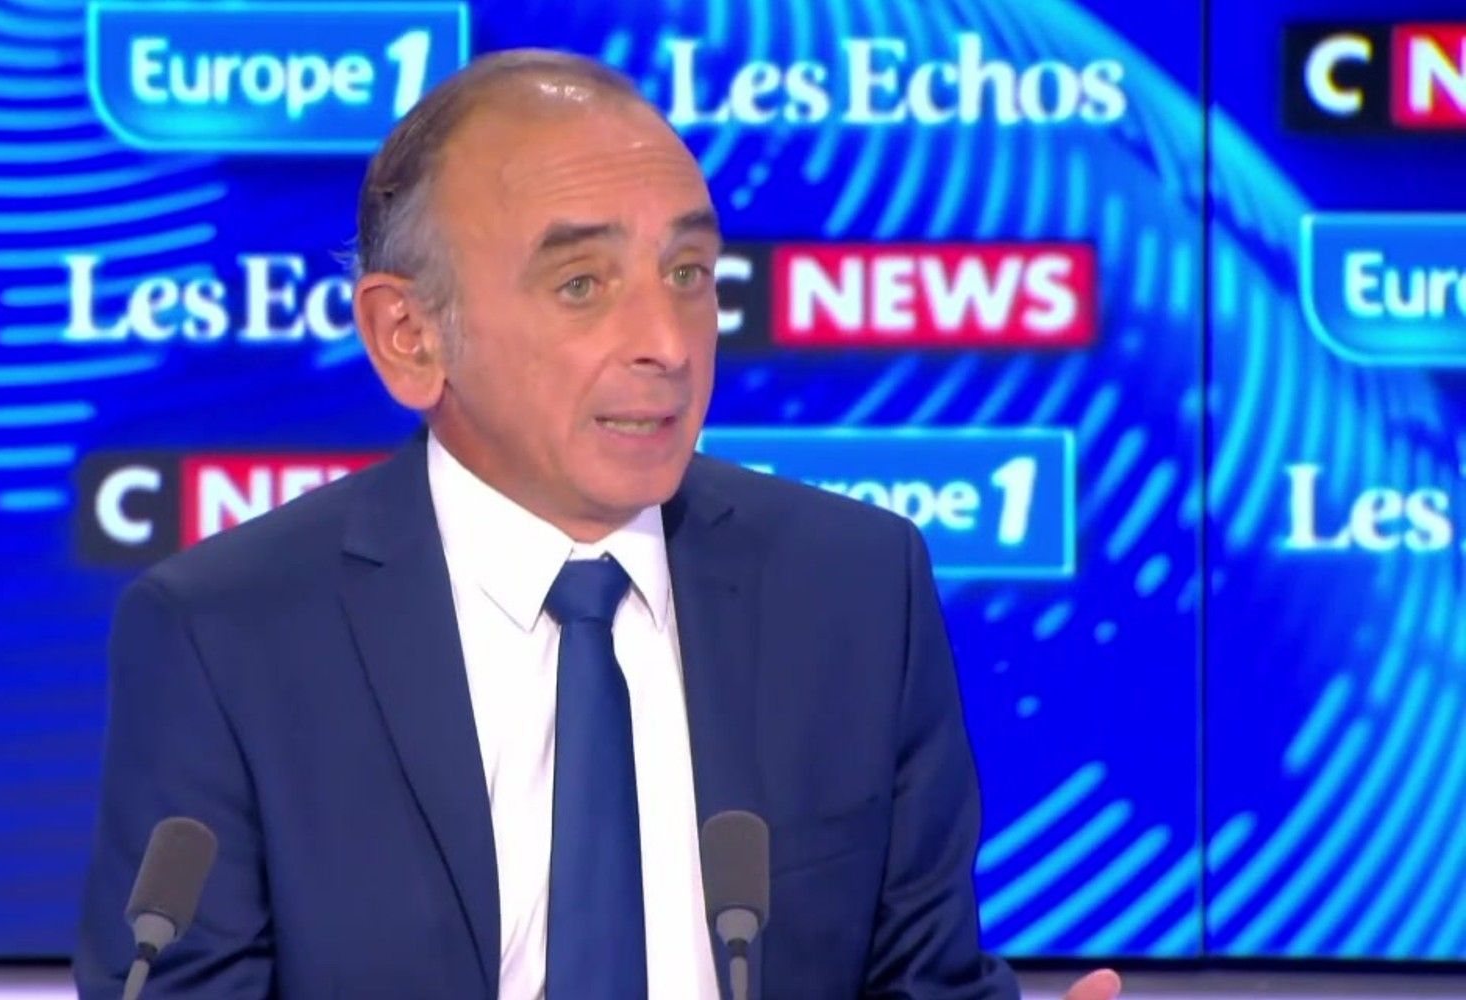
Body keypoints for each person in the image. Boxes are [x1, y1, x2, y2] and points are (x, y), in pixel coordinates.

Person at [75, 49, 1124, 1000]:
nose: (667, 339)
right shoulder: (229, 635)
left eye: (687, 273)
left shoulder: (853, 588)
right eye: (581, 283)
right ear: (409, 336)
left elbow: (920, 982)